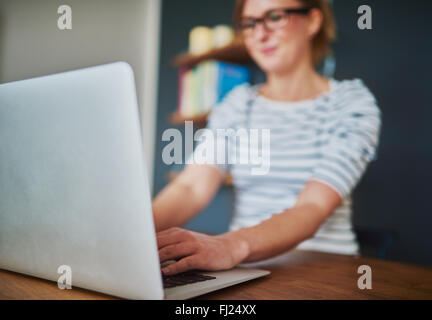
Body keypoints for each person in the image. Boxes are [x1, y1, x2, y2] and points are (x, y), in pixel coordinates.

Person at [153, 0, 381, 276]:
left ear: (312, 21)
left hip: (325, 272)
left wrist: (231, 246)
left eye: (274, 17)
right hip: (242, 270)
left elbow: (313, 206)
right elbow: (190, 188)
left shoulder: (351, 102)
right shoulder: (237, 104)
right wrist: (129, 231)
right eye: (249, 23)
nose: (260, 34)